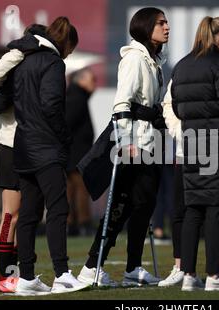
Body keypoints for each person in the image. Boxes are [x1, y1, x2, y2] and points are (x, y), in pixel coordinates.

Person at [77, 7, 170, 287]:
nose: (167, 27)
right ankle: (92, 265)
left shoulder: (153, 60)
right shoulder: (134, 60)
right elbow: (121, 104)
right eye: (161, 23)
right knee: (121, 204)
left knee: (144, 204)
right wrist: (127, 143)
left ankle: (132, 268)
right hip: (133, 144)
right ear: (145, 27)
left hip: (150, 141)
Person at [158, 29, 219, 288]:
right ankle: (215, 274)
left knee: (192, 209)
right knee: (216, 208)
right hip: (218, 140)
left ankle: (189, 275)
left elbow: (176, 107)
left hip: (193, 140)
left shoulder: (181, 66)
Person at [10, 16, 87, 295]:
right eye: (71, 48)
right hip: (45, 147)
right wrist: (65, 138)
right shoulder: (54, 63)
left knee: (29, 213)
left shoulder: (23, 60)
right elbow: (52, 105)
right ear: (65, 42)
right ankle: (62, 273)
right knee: (58, 209)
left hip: (22, 146)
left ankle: (27, 277)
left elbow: (4, 99)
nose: (70, 54)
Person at [0, 24, 46, 293]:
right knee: (10, 214)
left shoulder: (43, 66)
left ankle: (20, 275)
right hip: (11, 147)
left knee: (28, 215)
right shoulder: (17, 57)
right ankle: (4, 277)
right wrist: (20, 49)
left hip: (33, 147)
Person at [65, 67, 96, 237]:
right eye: (92, 79)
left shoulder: (77, 96)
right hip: (76, 156)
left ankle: (73, 224)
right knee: (80, 190)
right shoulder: (76, 98)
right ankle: (82, 223)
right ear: (81, 81)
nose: (95, 84)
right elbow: (67, 124)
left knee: (73, 190)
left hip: (75, 155)